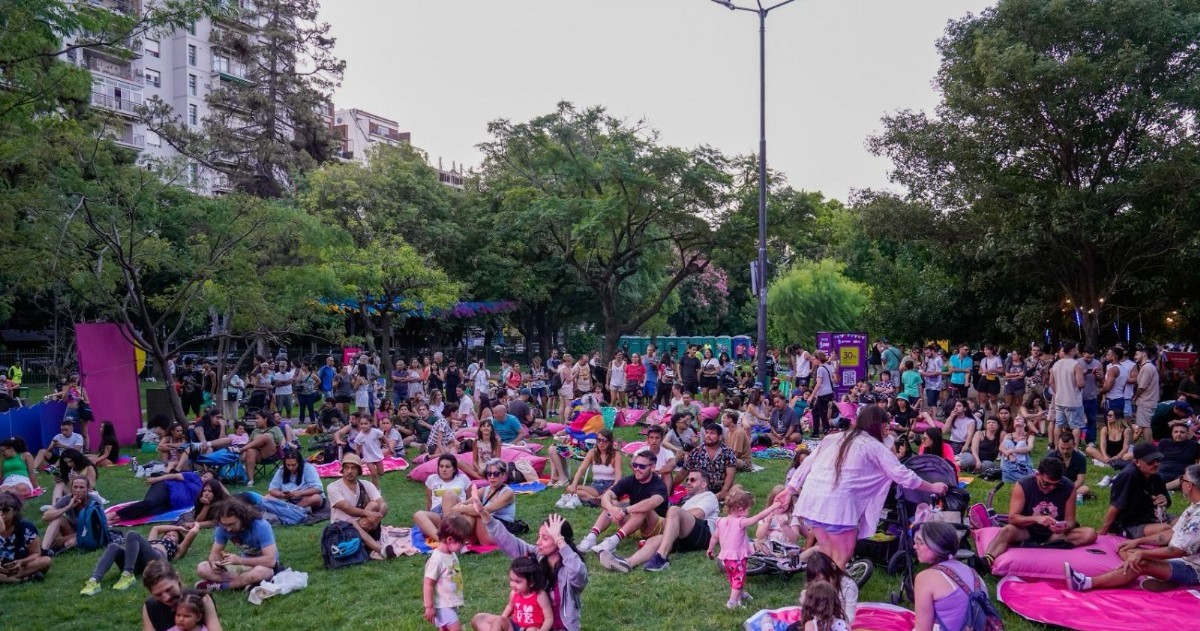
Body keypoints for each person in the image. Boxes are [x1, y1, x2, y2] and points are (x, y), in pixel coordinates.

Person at [785, 406, 949, 568]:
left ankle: (821, 589)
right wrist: (934, 487)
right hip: (838, 507)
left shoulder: (833, 438)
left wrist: (789, 489)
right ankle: (831, 591)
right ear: (880, 426)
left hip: (813, 501)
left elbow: (807, 463)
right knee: (841, 558)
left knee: (828, 554)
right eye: (885, 427)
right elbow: (904, 476)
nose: (887, 431)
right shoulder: (873, 446)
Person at [1067, 463, 1200, 593]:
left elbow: (1177, 550)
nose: (1180, 482)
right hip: (1184, 561)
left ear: (1189, 485)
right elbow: (1170, 533)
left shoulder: (1198, 516)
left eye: (1182, 479)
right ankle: (1170, 581)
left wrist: (1142, 553)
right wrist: (1138, 542)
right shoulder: (1194, 507)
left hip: (1194, 569)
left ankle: (1086, 582)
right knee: (1129, 550)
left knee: (1139, 563)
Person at [472, 504, 587, 631]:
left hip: (556, 628)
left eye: (545, 538)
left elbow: (578, 572)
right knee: (480, 619)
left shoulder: (570, 569)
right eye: (539, 536)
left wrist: (559, 540)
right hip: (526, 625)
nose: (538, 542)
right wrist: (484, 514)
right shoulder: (537, 556)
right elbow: (509, 541)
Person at [981, 458, 1097, 567]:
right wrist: (1036, 519)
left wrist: (1064, 527)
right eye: (1046, 483)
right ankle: (987, 559)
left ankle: (1043, 545)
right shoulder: (1024, 485)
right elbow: (1013, 518)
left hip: (1054, 535)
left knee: (1090, 534)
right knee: (1006, 531)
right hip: (1027, 531)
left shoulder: (1068, 487)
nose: (1051, 487)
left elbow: (1071, 520)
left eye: (1056, 484)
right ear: (1037, 475)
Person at [598, 469, 719, 573]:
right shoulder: (687, 501)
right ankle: (628, 563)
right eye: (687, 480)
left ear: (703, 484)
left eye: (692, 480)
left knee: (674, 510)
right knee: (656, 540)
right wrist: (672, 523)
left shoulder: (709, 496)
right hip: (686, 538)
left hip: (704, 535)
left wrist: (673, 518)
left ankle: (661, 557)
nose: (688, 483)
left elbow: (698, 514)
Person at [577, 450, 669, 555]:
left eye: (642, 467)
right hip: (635, 525)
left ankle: (613, 542)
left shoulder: (659, 485)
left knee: (643, 509)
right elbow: (607, 495)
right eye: (635, 465)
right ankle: (591, 537)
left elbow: (652, 503)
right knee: (612, 504)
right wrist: (612, 509)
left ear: (652, 467)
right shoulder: (630, 480)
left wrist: (625, 510)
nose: (637, 469)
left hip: (656, 527)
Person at [707, 485, 782, 609]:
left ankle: (740, 593)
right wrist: (773, 507)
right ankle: (732, 602)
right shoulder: (741, 522)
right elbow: (758, 517)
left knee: (734, 577)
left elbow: (715, 537)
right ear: (740, 509)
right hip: (737, 558)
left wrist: (710, 549)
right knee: (738, 579)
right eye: (748, 510)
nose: (749, 513)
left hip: (726, 558)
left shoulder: (721, 521)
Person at [914, 521, 995, 631]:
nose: (915, 546)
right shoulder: (972, 572)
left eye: (920, 542)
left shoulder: (925, 578)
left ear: (936, 547)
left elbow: (922, 629)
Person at [82, 523, 200, 596]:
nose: (169, 535)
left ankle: (127, 574)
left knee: (133, 534)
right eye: (167, 534)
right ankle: (94, 581)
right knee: (114, 546)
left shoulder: (178, 549)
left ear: (178, 541)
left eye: (173, 535)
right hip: (136, 561)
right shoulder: (152, 541)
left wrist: (195, 525)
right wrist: (177, 527)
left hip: (156, 560)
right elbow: (156, 528)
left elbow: (194, 532)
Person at [195, 498, 280, 591]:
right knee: (202, 568)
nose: (228, 529)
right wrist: (214, 564)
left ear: (242, 518)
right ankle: (244, 583)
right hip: (241, 567)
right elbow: (214, 554)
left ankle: (223, 586)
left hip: (263, 566)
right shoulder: (222, 527)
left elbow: (271, 561)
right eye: (224, 524)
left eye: (232, 524)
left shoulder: (261, 526)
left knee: (258, 573)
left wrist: (240, 560)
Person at [1099, 442, 1172, 539]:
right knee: (1167, 530)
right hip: (1130, 524)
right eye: (1150, 462)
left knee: (1184, 523)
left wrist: (1165, 500)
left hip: (1151, 517)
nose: (1156, 464)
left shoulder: (1156, 476)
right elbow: (1115, 506)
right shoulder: (1128, 476)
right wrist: (1103, 533)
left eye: (1158, 460)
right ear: (1137, 462)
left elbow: (1167, 501)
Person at [327, 453, 389, 556]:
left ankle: (373, 546)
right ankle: (379, 549)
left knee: (374, 505)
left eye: (353, 468)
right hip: (342, 525)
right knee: (355, 524)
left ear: (359, 471)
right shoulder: (333, 487)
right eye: (346, 468)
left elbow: (383, 504)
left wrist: (377, 516)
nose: (349, 471)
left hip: (366, 523)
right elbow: (347, 508)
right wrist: (369, 515)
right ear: (343, 470)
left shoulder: (366, 484)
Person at [141, 560, 222, 631]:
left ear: (177, 578)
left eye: (169, 589)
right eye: (158, 594)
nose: (166, 598)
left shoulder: (202, 598)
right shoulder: (150, 606)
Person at [424, 514, 471, 631]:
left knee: (444, 629)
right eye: (462, 543)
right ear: (450, 539)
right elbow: (428, 584)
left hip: (450, 602)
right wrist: (429, 607)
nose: (464, 546)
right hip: (442, 605)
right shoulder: (437, 559)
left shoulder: (451, 553)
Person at [414, 454, 473, 542]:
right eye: (441, 466)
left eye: (447, 466)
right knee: (418, 514)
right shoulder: (432, 479)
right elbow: (429, 501)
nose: (444, 469)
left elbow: (470, 500)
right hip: (438, 514)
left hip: (457, 512)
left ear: (454, 469)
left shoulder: (463, 478)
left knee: (448, 495)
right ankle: (443, 540)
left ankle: (449, 532)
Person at [0, 491, 52, 584]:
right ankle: (23, 579)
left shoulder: (26, 527)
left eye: (6, 510)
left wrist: (21, 562)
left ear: (15, 511)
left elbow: (36, 553)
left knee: (45, 561)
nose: (1, 514)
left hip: (20, 566)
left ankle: (8, 579)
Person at [41, 476, 101, 553]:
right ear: (71, 488)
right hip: (73, 530)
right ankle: (44, 550)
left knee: (69, 543)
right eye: (75, 487)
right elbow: (46, 517)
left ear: (88, 489)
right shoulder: (67, 499)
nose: (78, 490)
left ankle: (56, 546)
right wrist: (68, 507)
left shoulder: (94, 501)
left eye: (81, 487)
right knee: (57, 518)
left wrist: (64, 539)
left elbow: (98, 528)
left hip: (90, 533)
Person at [564, 429, 622, 505]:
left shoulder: (615, 454)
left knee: (614, 491)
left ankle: (595, 499)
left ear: (610, 442)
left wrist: (613, 488)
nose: (601, 443)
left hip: (610, 485)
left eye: (604, 441)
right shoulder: (592, 452)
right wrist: (574, 484)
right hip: (595, 486)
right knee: (569, 488)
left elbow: (618, 477)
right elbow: (581, 470)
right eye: (598, 440)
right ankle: (596, 499)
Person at [798, 552, 858, 624]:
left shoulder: (848, 585)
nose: (823, 584)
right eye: (817, 581)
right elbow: (807, 613)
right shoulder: (813, 588)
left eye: (825, 579)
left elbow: (850, 616)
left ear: (833, 567)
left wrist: (834, 623)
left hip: (838, 623)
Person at [263, 450, 325, 517]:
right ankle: (296, 510)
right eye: (288, 465)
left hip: (305, 498)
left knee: (316, 498)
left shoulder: (308, 468)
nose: (290, 467)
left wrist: (300, 493)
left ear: (299, 462)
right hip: (287, 499)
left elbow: (318, 488)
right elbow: (272, 489)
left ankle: (289, 511)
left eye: (293, 465)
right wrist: (281, 494)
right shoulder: (282, 469)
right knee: (266, 498)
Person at [684, 423, 738, 499]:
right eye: (707, 433)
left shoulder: (728, 452)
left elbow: (730, 475)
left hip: (721, 488)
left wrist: (723, 491)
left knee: (738, 489)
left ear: (720, 437)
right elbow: (684, 471)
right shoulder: (696, 451)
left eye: (712, 433)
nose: (708, 436)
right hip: (702, 489)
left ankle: (717, 497)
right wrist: (671, 486)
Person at [1049, 340, 1087, 445]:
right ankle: (1075, 448)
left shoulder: (1056, 364)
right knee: (1076, 426)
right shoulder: (1076, 364)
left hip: (1059, 399)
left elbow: (1051, 382)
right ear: (1072, 350)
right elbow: (1080, 384)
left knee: (1059, 425)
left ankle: (1057, 447)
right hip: (1073, 400)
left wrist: (1057, 391)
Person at [1044, 433, 1090, 500]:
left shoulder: (1081, 458)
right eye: (1062, 448)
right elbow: (1045, 477)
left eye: (1068, 448)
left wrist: (1067, 488)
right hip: (1054, 485)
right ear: (1058, 445)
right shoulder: (1050, 457)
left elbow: (1080, 480)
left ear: (1074, 445)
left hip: (1072, 486)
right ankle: (1066, 496)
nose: (1065, 451)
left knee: (1085, 489)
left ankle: (1060, 496)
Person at [1159, 420, 1200, 490]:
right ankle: (1162, 488)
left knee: (1187, 480)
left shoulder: (1193, 445)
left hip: (1180, 475)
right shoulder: (1164, 442)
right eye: (1176, 432)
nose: (1178, 434)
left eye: (1182, 432)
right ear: (1172, 433)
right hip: (1162, 472)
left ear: (1187, 434)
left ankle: (1162, 488)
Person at [999, 415, 1034, 483]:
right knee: (1007, 442)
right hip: (1009, 461)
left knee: (1021, 444)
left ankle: (1015, 472)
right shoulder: (1008, 435)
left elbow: (1029, 448)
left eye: (1019, 419)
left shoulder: (1030, 436)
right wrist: (1009, 455)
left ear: (1024, 424)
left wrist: (1012, 450)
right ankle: (1014, 472)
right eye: (1016, 419)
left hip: (1023, 463)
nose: (1017, 420)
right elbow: (1000, 447)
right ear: (1014, 425)